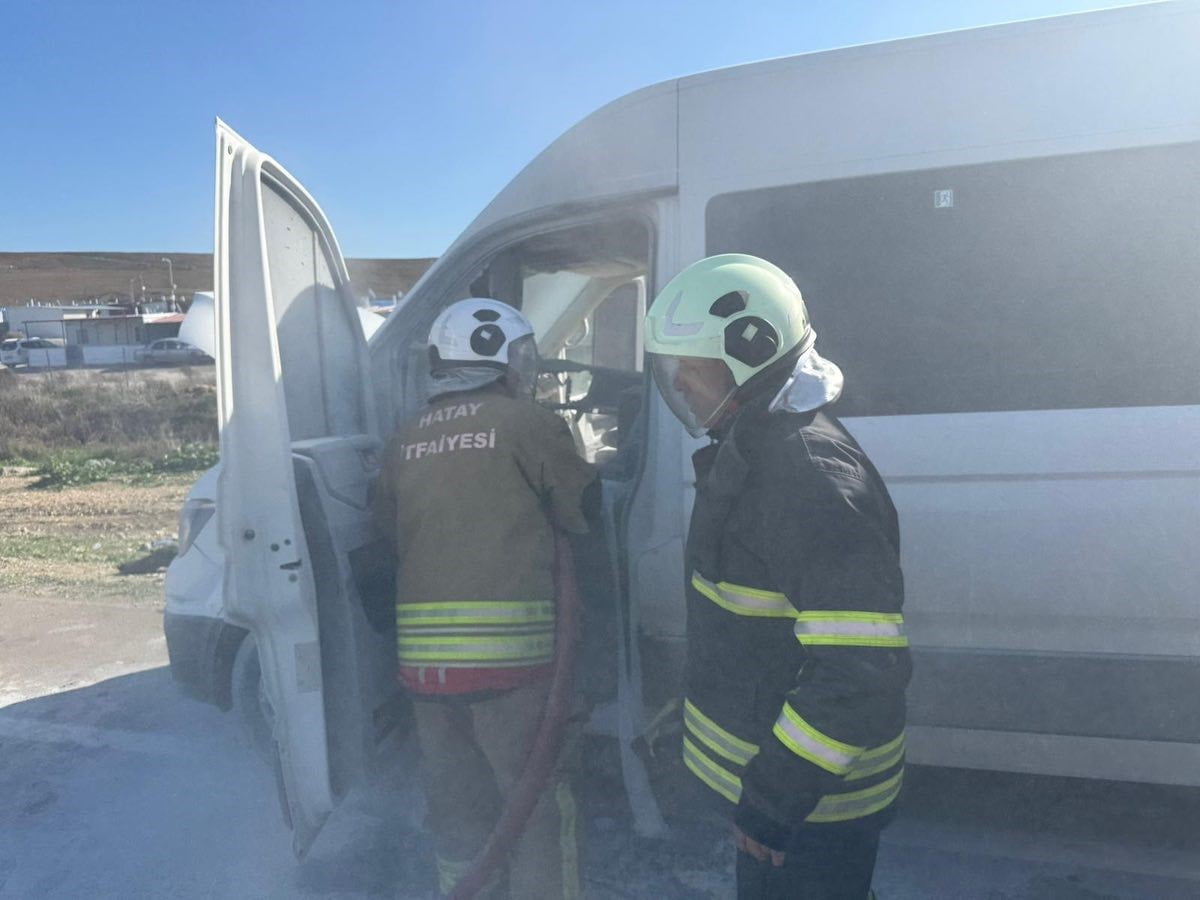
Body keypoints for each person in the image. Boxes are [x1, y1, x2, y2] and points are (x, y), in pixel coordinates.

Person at [644, 254, 910, 899]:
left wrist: (774, 799)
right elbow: (755, 627)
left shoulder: (807, 477)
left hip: (813, 809)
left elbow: (858, 672)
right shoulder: (759, 446)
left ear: (748, 356)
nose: (677, 382)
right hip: (785, 797)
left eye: (692, 365)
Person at [373, 298, 596, 899]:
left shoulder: (402, 440)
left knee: (458, 810)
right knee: (534, 805)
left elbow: (390, 537)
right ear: (503, 360)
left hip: (426, 673)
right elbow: (583, 513)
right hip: (512, 667)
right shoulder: (528, 423)